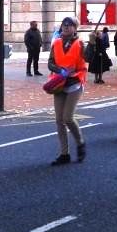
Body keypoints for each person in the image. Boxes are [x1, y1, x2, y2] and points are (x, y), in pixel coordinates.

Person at [47, 16, 94, 165]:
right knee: (59, 121)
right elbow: (50, 62)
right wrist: (60, 70)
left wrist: (92, 43)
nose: (66, 27)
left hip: (74, 82)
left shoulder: (80, 44)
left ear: (75, 28)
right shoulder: (57, 43)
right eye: (64, 24)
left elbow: (88, 58)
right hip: (59, 83)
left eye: (70, 25)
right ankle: (64, 153)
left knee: (67, 118)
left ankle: (80, 142)